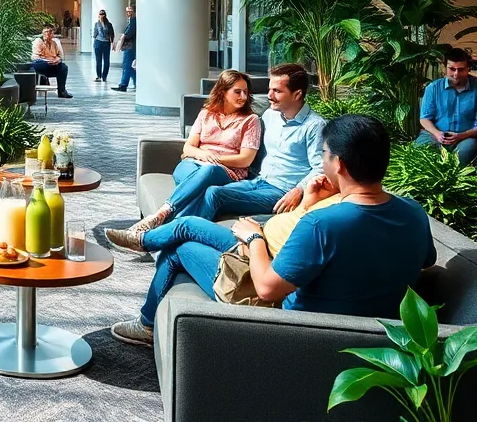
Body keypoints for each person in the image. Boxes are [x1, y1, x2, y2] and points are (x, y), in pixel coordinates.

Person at [110, 114, 437, 346]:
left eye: (324, 154)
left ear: (339, 164)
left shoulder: (324, 224)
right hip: (367, 324)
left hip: (286, 321)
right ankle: (144, 240)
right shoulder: (414, 212)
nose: (322, 161)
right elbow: (425, 260)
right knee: (190, 226)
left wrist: (254, 239)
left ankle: (147, 324)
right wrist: (309, 204)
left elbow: (267, 289)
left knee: (179, 249)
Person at [111, 64, 326, 247]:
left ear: (297, 94)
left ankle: (152, 238)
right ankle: (167, 232)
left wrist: (298, 190)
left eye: (277, 91)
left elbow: (321, 167)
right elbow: (194, 146)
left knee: (214, 193)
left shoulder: (314, 126)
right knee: (210, 190)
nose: (269, 96)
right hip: (257, 181)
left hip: (280, 191)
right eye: (269, 89)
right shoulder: (270, 116)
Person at [106, 70, 260, 252]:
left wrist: (215, 159)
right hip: (193, 164)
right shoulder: (206, 114)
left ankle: (159, 216)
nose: (243, 96)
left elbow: (245, 159)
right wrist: (202, 155)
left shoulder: (250, 120)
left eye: (245, 92)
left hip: (225, 171)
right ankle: (159, 238)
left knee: (208, 171)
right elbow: (188, 148)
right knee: (196, 178)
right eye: (237, 91)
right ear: (223, 91)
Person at [417, 47, 477, 166]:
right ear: (444, 67)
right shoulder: (433, 88)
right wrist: (437, 133)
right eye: (452, 69)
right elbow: (425, 118)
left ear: (468, 68)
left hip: (467, 137)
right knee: (420, 151)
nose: (456, 74)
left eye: (461, 69)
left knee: (463, 154)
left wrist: (462, 135)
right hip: (434, 134)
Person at [31, 24, 72, 99]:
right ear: (43, 33)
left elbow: (59, 55)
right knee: (38, 63)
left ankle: (62, 91)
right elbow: (35, 58)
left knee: (63, 67)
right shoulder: (38, 41)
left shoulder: (54, 43)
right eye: (47, 32)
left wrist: (57, 60)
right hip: (41, 64)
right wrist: (47, 61)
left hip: (53, 64)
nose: (49, 34)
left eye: (51, 32)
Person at [111, 5, 136, 92]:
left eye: (130, 11)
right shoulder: (131, 20)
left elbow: (129, 33)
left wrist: (124, 36)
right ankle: (136, 83)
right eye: (127, 11)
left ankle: (123, 85)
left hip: (130, 46)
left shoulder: (133, 20)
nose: (128, 13)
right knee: (130, 67)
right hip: (130, 46)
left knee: (126, 65)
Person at [92, 9, 115, 83]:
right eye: (100, 14)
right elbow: (95, 34)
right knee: (98, 60)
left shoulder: (108, 24)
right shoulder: (96, 24)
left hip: (106, 43)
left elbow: (112, 34)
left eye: (102, 14)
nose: (101, 16)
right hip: (98, 43)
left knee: (106, 60)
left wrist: (112, 42)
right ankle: (98, 76)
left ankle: (104, 76)